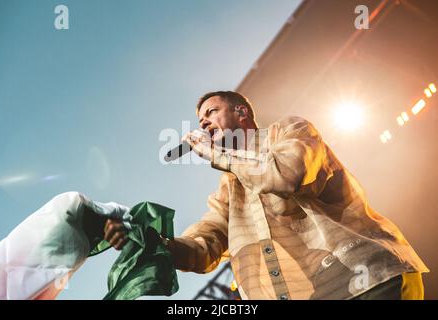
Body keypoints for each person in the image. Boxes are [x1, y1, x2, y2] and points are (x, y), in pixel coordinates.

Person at [106, 91, 429, 300]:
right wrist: (148, 240)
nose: (203, 121)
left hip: (366, 282)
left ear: (241, 111)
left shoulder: (290, 132)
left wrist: (216, 154)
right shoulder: (229, 191)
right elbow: (203, 249)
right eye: (200, 119)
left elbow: (286, 174)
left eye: (211, 112)